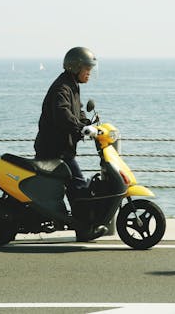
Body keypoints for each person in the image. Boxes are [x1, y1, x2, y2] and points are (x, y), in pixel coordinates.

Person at [34, 46, 106, 241]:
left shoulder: (72, 86)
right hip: (55, 151)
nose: (89, 72)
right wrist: (79, 128)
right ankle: (83, 231)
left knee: (76, 186)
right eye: (87, 68)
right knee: (79, 187)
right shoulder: (62, 88)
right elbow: (63, 113)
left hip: (62, 149)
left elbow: (77, 111)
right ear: (75, 67)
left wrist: (88, 125)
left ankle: (79, 225)